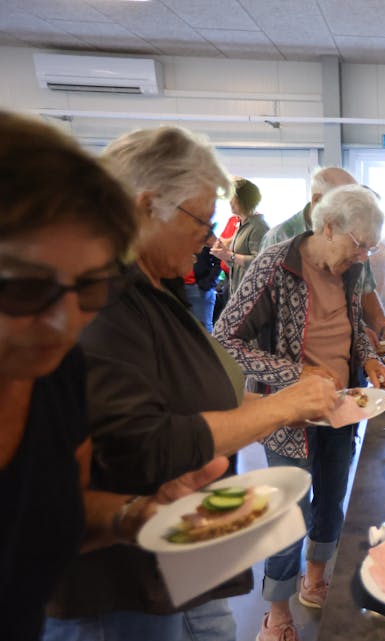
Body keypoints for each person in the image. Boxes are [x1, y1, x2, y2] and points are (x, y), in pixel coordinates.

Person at [43, 126, 339, 641]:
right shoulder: (104, 298)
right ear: (145, 206)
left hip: (179, 559)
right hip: (122, 588)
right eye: (200, 220)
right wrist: (280, 406)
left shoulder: (150, 286)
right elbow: (139, 444)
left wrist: (265, 412)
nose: (209, 236)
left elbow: (165, 413)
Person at [0, 111, 233, 641]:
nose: (63, 325)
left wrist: (134, 516)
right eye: (25, 287)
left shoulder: (54, 376)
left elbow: (53, 508)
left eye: (91, 288)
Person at [214, 184, 385, 641]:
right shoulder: (275, 264)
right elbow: (224, 342)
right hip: (288, 413)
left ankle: (316, 577)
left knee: (333, 499)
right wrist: (296, 373)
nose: (361, 259)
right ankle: (276, 609)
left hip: (341, 406)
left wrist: (369, 358)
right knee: (290, 509)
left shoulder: (350, 271)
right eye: (358, 247)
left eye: (368, 251)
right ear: (327, 226)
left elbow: (353, 327)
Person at [261, 167, 385, 348]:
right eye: (347, 204)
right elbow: (269, 318)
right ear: (318, 200)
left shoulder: (356, 238)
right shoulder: (279, 239)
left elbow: (365, 290)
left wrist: (383, 328)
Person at [210, 177, 267, 297]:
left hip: (251, 295)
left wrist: (229, 255)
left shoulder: (258, 227)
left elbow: (260, 262)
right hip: (239, 292)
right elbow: (236, 265)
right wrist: (223, 255)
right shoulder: (242, 225)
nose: (229, 201)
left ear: (243, 199)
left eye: (232, 197)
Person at [184, 244, 223, 332]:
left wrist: (209, 281)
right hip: (177, 287)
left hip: (200, 290)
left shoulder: (204, 235)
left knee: (204, 330)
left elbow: (219, 260)